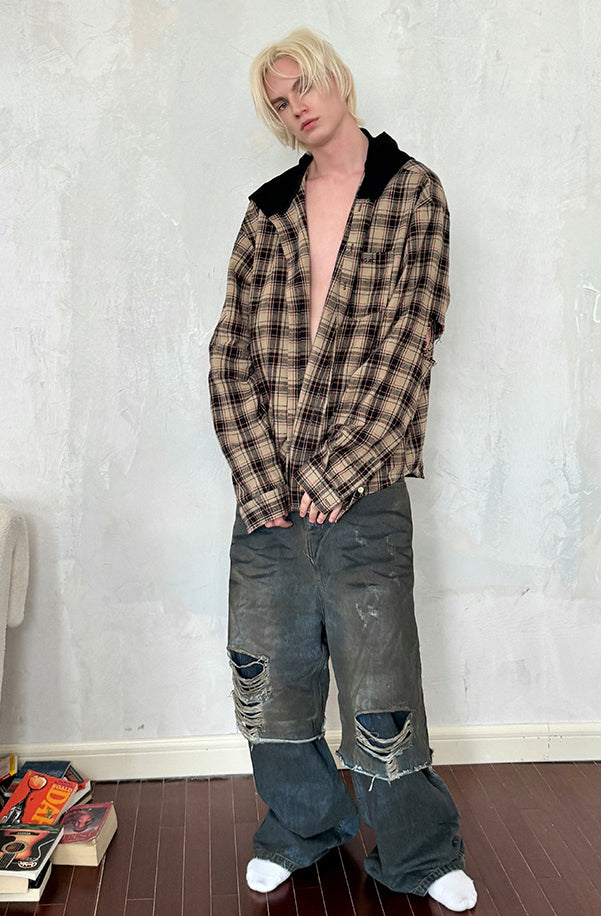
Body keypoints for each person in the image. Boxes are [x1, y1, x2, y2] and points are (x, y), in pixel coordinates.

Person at [208, 27, 477, 912]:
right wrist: (262, 482)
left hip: (361, 496)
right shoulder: (267, 213)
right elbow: (229, 353)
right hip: (268, 501)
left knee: (381, 685)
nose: (297, 108)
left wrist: (335, 476)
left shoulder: (413, 194)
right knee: (269, 681)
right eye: (279, 102)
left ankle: (419, 853)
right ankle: (302, 828)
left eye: (304, 87)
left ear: (337, 79)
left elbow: (410, 344)